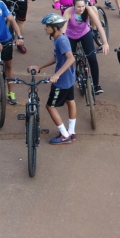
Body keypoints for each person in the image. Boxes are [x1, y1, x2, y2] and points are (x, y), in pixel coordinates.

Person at [30, 13, 78, 145]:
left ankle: (64, 135)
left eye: (47, 26)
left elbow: (71, 58)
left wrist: (57, 75)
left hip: (62, 81)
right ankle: (71, 132)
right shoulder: (60, 38)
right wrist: (40, 66)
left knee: (50, 106)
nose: (45, 28)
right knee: (70, 101)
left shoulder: (61, 40)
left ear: (55, 28)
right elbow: (57, 57)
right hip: (69, 78)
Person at [61, 0, 109, 94]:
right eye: (78, 6)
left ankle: (96, 85)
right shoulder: (68, 12)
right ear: (73, 5)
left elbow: (99, 26)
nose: (81, 9)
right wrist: (62, 45)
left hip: (84, 33)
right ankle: (69, 81)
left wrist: (105, 43)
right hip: (71, 36)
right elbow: (63, 32)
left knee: (92, 58)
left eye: (83, 6)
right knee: (68, 59)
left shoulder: (88, 10)